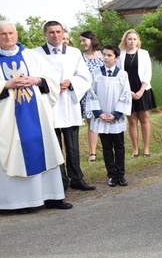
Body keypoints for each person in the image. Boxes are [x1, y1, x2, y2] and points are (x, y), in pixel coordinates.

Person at [0, 21, 70, 211]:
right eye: (3, 34)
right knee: (13, 151)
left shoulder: (31, 56)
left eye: (11, 33)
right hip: (8, 119)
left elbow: (52, 79)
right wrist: (7, 84)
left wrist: (36, 80)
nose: (8, 37)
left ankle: (52, 197)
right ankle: (18, 203)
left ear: (17, 34)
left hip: (37, 115)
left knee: (45, 147)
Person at [33, 20, 95, 192]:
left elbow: (85, 77)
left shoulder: (74, 53)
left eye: (58, 32)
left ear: (63, 33)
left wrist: (70, 82)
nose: (56, 35)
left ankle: (76, 178)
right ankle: (59, 181)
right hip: (49, 104)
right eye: (51, 32)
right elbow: (33, 77)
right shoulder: (36, 54)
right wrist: (50, 85)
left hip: (69, 103)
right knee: (54, 145)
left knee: (72, 144)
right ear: (45, 34)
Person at [85, 45, 132, 187]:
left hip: (115, 117)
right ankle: (111, 175)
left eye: (109, 55)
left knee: (119, 146)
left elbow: (125, 94)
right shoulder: (95, 73)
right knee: (106, 147)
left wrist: (116, 114)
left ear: (116, 58)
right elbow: (91, 93)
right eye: (104, 55)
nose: (106, 57)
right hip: (102, 117)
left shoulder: (122, 74)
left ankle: (121, 175)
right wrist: (98, 113)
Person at [118, 29, 157, 157]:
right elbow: (119, 75)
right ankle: (135, 149)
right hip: (127, 90)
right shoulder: (121, 55)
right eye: (129, 39)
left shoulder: (144, 53)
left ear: (138, 41)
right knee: (132, 120)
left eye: (134, 39)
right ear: (125, 40)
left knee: (144, 119)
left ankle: (146, 148)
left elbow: (148, 73)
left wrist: (140, 91)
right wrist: (128, 91)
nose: (132, 41)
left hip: (143, 89)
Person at [79, 31, 104, 163]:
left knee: (106, 121)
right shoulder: (81, 58)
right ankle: (92, 153)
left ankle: (108, 149)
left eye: (84, 40)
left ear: (92, 40)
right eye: (81, 41)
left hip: (103, 93)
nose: (82, 43)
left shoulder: (102, 55)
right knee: (92, 124)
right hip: (88, 94)